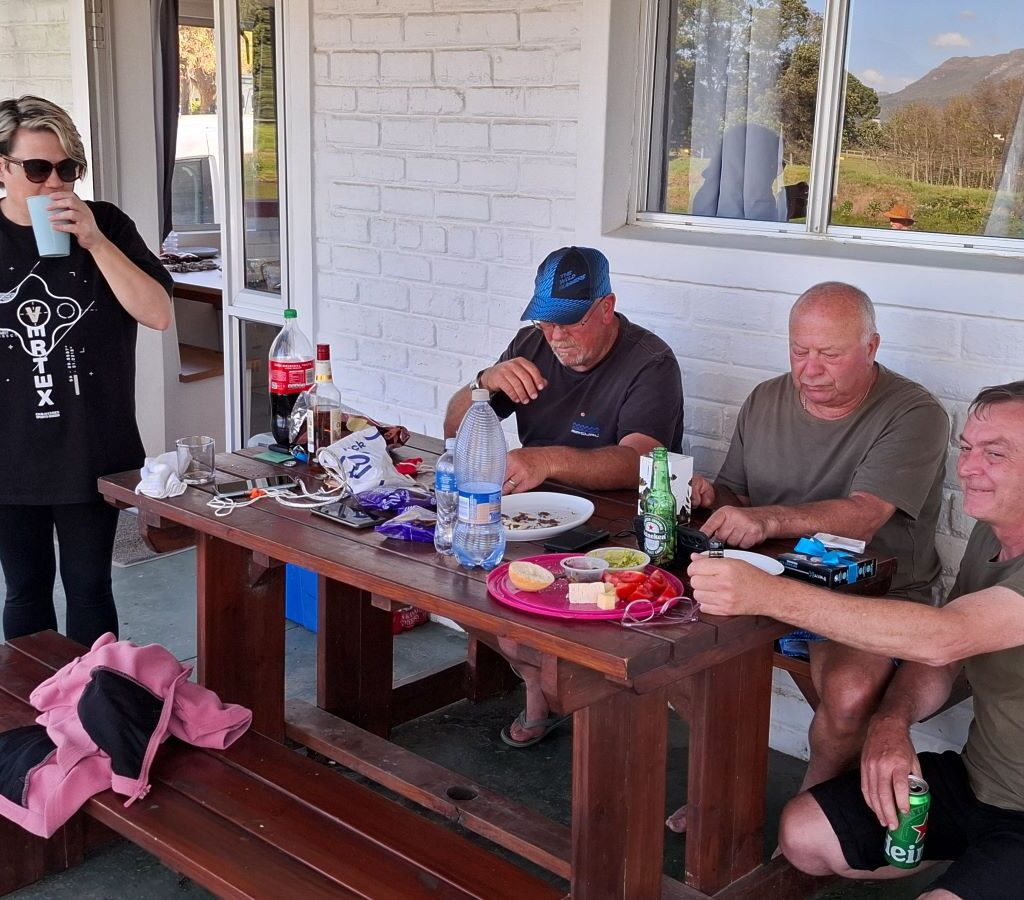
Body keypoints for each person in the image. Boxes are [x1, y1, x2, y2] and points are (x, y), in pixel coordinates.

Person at [689, 381, 1024, 900]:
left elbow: (945, 636)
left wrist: (768, 594)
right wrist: (892, 723)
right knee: (802, 835)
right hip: (981, 786)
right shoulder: (993, 532)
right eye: (967, 450)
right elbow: (950, 660)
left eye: (995, 454)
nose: (967, 470)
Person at [674, 282, 948, 831]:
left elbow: (867, 512)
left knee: (847, 697)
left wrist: (769, 520)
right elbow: (738, 495)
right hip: (762, 582)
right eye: (799, 351)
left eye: (830, 354)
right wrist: (711, 498)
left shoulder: (915, 412)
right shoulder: (765, 398)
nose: (810, 369)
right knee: (670, 653)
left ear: (871, 347)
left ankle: (809, 813)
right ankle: (720, 790)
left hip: (870, 593)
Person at [443, 245, 684, 747]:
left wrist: (547, 459)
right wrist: (480, 384)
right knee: (462, 585)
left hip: (621, 531)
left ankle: (571, 703)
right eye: (547, 321)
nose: (556, 336)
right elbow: (453, 431)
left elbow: (643, 458)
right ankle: (536, 682)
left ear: (606, 307)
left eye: (570, 322)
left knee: (528, 614)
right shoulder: (532, 344)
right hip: (536, 516)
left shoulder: (651, 361)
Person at [0, 96, 172, 647]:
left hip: (90, 446)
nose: (54, 183)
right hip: (9, 450)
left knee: (90, 588)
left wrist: (94, 241)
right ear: (1, 168)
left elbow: (159, 314)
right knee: (25, 591)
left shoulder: (108, 226)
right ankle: (31, 715)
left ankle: (90, 715)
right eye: (36, 168)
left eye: (66, 169)